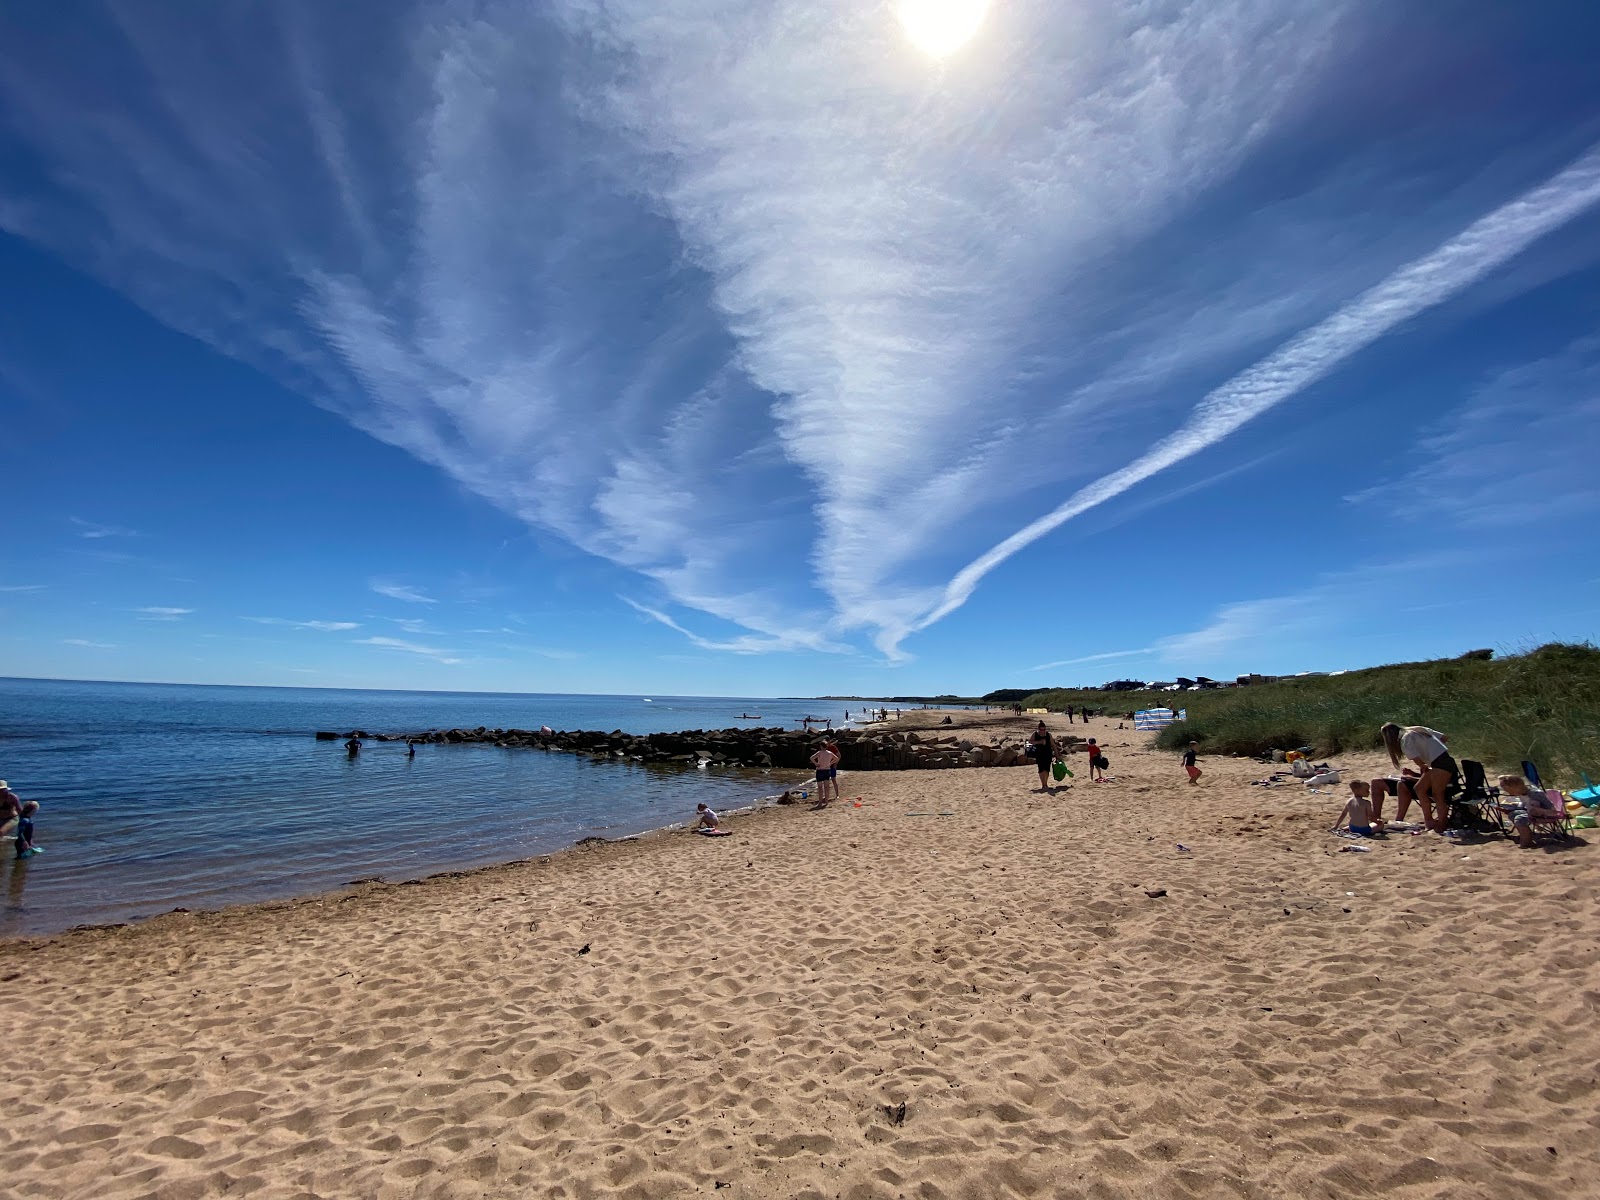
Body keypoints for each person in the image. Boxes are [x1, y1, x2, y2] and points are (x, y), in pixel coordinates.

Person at [1380, 723, 1457, 831]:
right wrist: (1431, 748)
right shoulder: (1418, 730)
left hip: (1440, 764)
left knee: (1437, 794)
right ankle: (1429, 820)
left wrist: (1423, 765)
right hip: (1442, 761)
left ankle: (1441, 824)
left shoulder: (1405, 739)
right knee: (1419, 788)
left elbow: (1416, 759)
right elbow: (1444, 738)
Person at [1499, 774, 1561, 849]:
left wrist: (1539, 810)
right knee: (1512, 814)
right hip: (1532, 814)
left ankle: (1526, 842)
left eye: (1509, 790)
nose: (1509, 793)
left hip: (1544, 815)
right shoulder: (1522, 793)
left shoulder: (1535, 794)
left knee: (1520, 819)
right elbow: (1525, 805)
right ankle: (1527, 836)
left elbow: (1553, 811)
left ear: (1516, 786)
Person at [1030, 721, 1054, 792]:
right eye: (1041, 730)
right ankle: (1043, 784)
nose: (1043, 731)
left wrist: (1057, 753)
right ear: (1038, 729)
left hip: (1048, 753)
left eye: (1044, 729)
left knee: (1047, 769)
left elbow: (1053, 744)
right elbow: (1030, 741)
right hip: (1039, 753)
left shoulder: (1048, 735)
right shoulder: (1035, 734)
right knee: (1041, 769)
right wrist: (1039, 742)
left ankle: (1045, 784)